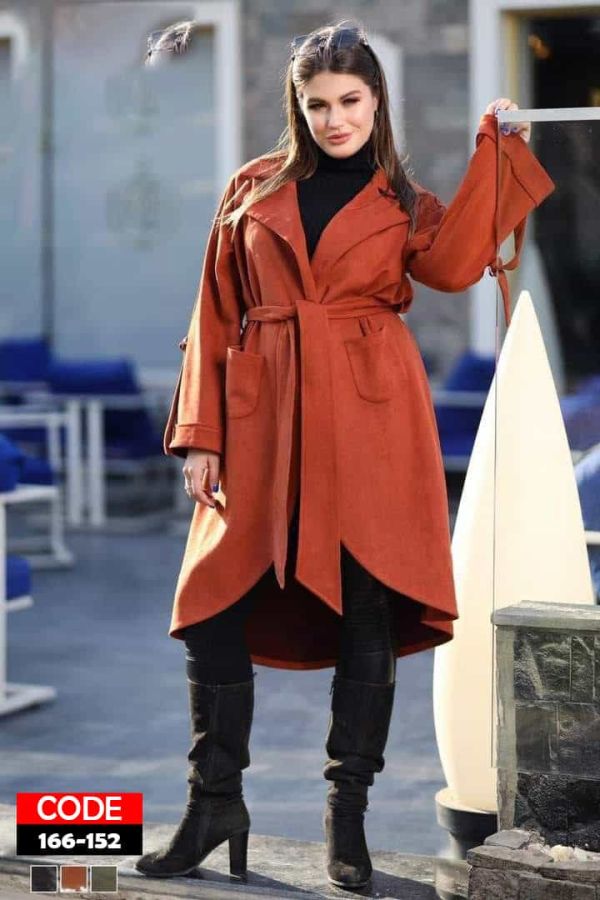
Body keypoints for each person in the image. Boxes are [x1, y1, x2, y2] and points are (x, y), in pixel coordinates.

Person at [136, 19, 555, 889]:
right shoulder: (252, 186)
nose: (335, 119)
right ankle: (214, 803)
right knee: (210, 604)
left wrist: (498, 151)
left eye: (350, 101)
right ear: (298, 105)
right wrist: (201, 434)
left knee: (368, 610)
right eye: (318, 103)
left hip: (370, 411)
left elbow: (456, 266)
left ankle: (348, 818)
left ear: (376, 100)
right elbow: (212, 310)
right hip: (260, 409)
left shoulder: (404, 201)